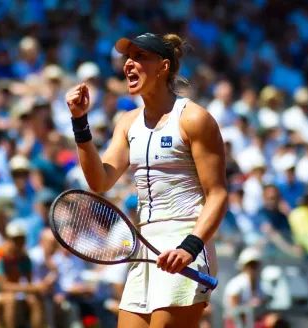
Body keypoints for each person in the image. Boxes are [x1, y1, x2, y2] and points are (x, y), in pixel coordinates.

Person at [65, 33, 226, 327]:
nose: (129, 63)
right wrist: (80, 122)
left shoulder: (193, 119)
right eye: (128, 57)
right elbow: (100, 181)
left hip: (186, 242)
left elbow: (217, 195)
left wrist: (189, 248)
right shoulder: (127, 123)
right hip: (145, 246)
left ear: (163, 67)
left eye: (140, 57)